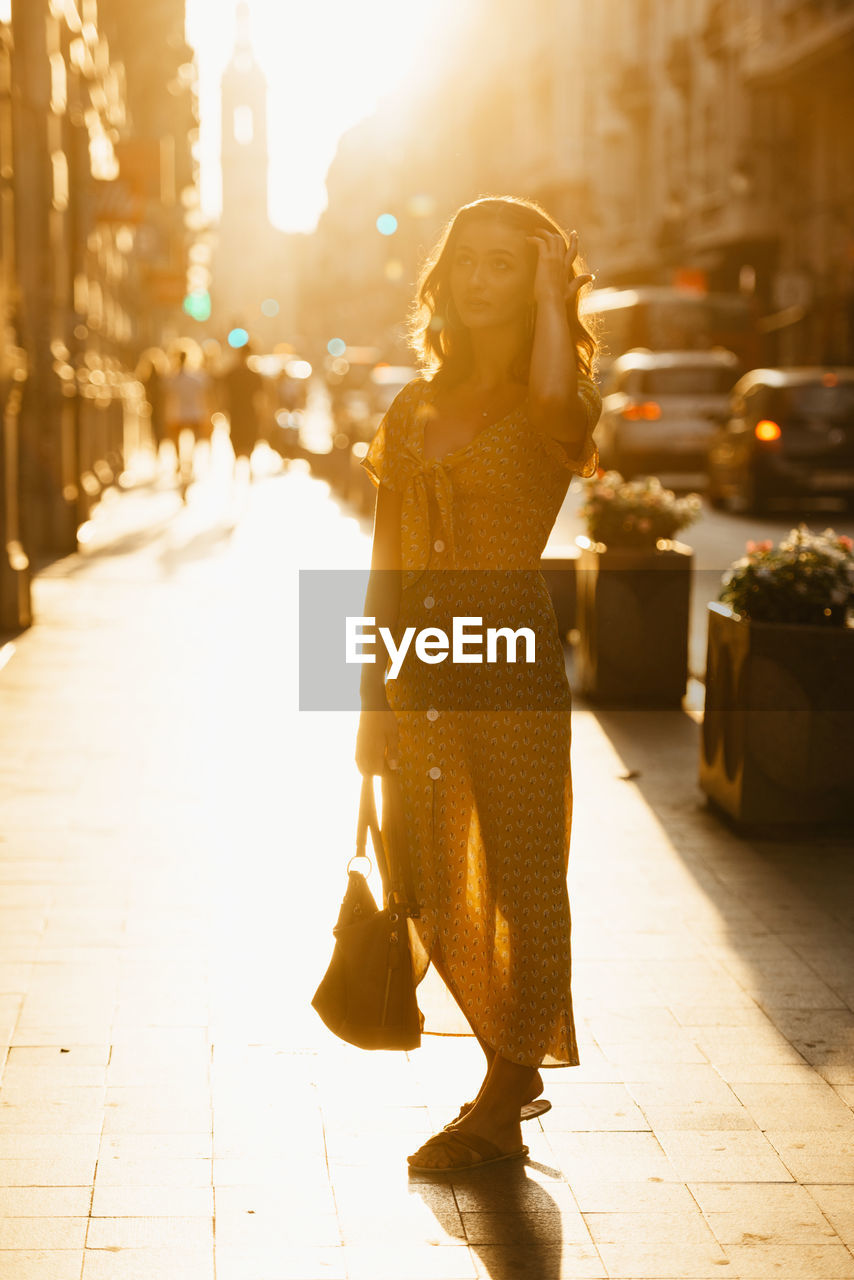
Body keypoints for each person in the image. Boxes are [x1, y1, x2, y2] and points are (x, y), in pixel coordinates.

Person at [354, 196, 601, 1173]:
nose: (479, 278)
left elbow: (554, 401)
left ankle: (502, 1092)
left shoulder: (550, 403)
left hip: (507, 663)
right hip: (419, 666)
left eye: (504, 263)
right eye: (467, 261)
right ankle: (514, 1057)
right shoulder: (407, 409)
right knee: (427, 868)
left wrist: (552, 290)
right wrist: (368, 697)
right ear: (443, 277)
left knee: (524, 872)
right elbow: (380, 559)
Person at [164, 349, 212, 486]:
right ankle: (190, 462)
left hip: (177, 414)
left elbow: (168, 397)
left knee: (177, 441)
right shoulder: (196, 378)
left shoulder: (171, 379)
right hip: (194, 414)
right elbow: (204, 396)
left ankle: (180, 461)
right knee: (195, 441)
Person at [223, 344, 265, 481]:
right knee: (249, 440)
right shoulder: (254, 375)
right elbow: (261, 398)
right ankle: (248, 471)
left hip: (235, 413)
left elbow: (224, 396)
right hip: (249, 413)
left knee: (237, 440)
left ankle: (237, 470)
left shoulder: (231, 373)